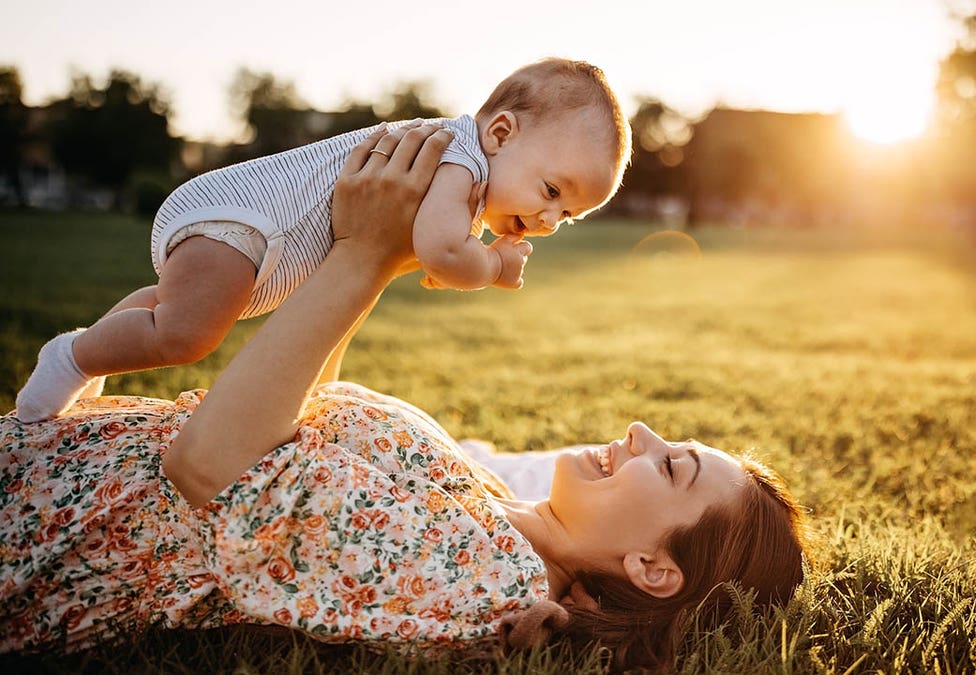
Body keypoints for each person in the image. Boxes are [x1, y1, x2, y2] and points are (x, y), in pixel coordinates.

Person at [1, 125, 809, 671]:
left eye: (670, 468)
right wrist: (374, 258)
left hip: (33, 534)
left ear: (651, 569)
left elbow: (211, 468)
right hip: (44, 468)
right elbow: (307, 417)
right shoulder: (496, 509)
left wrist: (363, 252)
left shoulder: (489, 580)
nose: (638, 430)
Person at [15, 58, 631, 423]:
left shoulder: (463, 174)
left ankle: (97, 350)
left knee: (170, 308)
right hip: (245, 220)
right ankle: (72, 356)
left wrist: (466, 254)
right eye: (552, 190)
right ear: (500, 132)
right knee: (188, 333)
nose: (549, 220)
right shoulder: (459, 160)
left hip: (246, 236)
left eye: (569, 215)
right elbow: (443, 254)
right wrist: (494, 265)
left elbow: (429, 255)